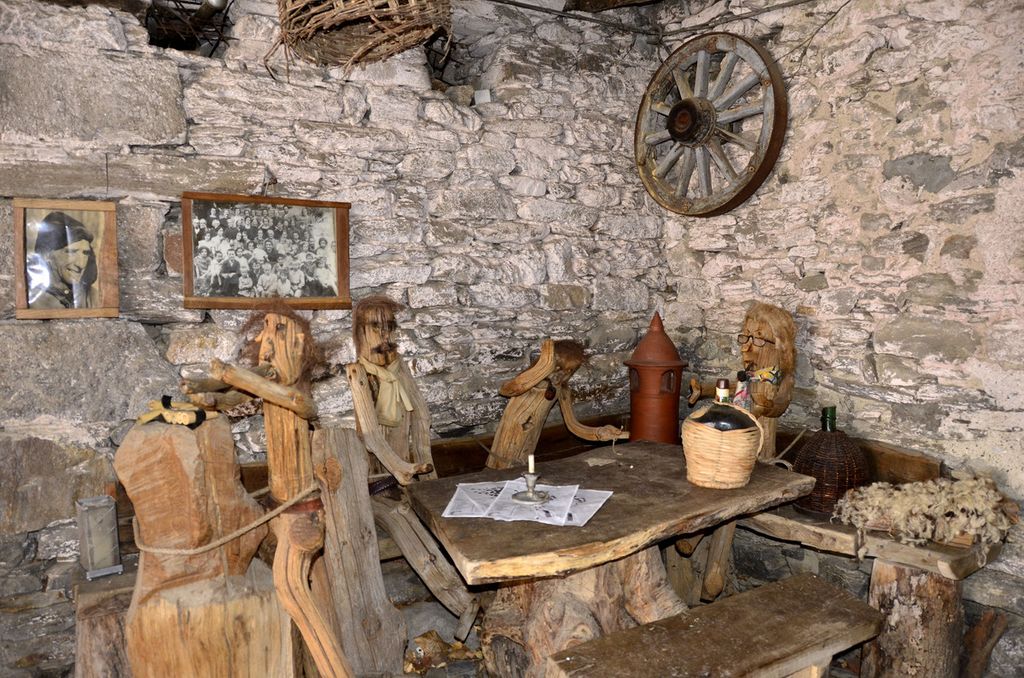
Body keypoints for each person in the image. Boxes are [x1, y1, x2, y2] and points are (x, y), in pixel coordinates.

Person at [26, 211, 98, 309]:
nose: (81, 264)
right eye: (72, 252)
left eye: (86, 253)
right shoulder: (29, 297)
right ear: (46, 254)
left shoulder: (93, 297)